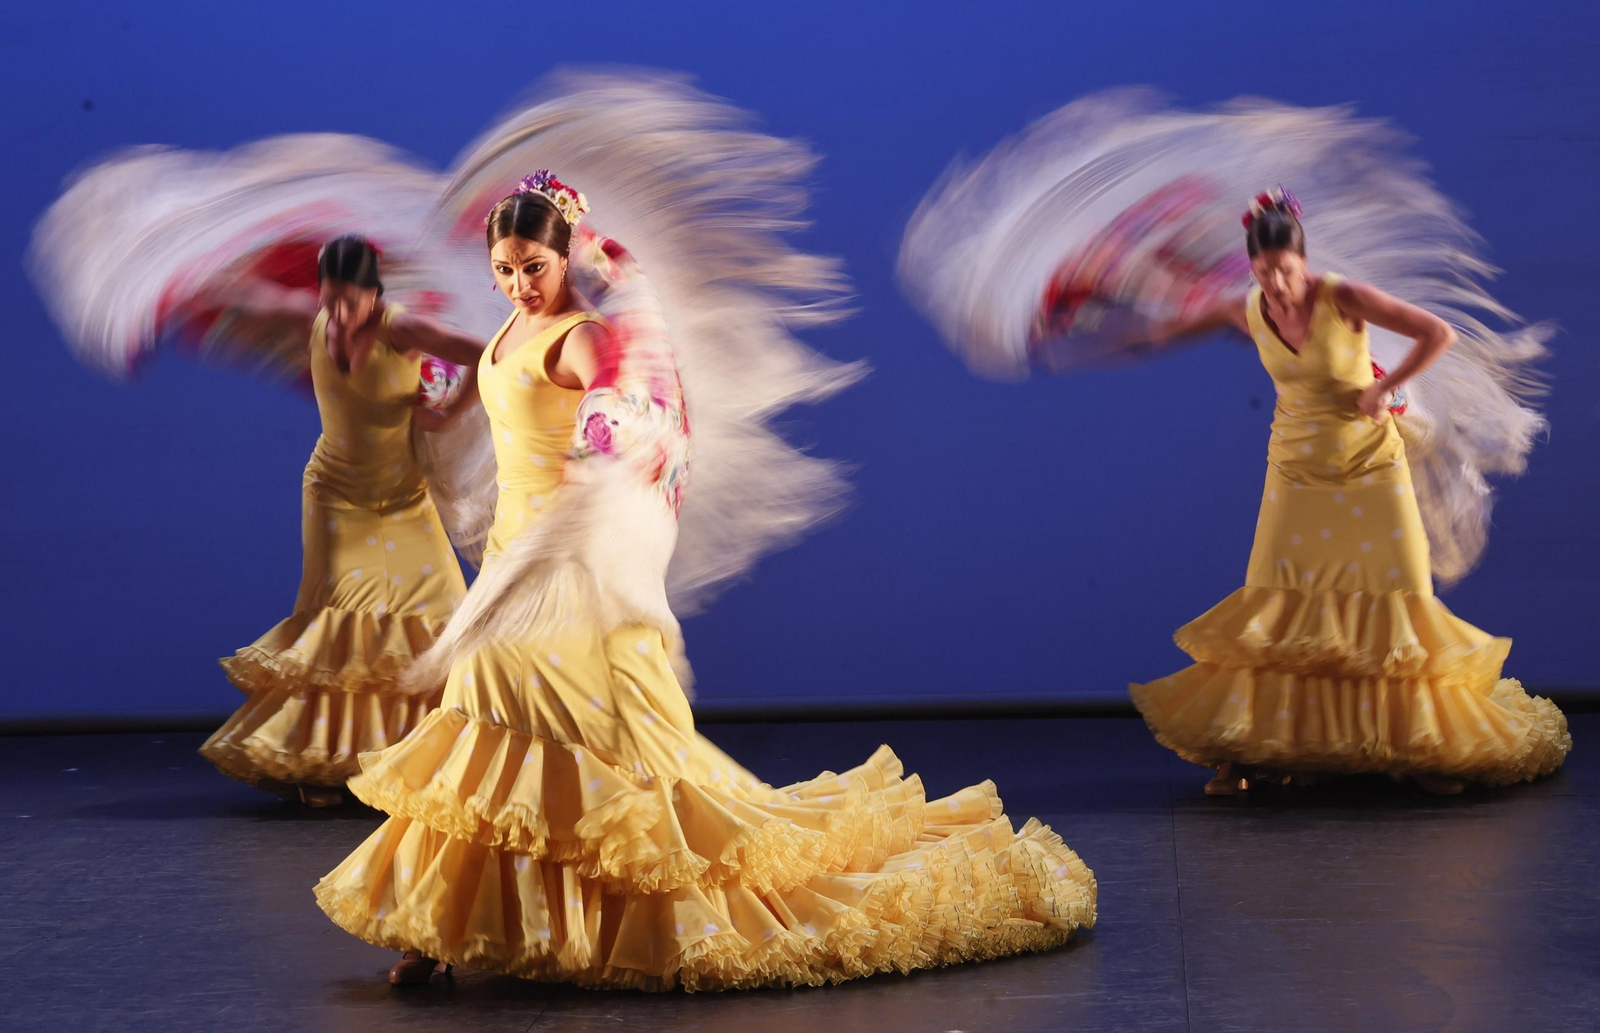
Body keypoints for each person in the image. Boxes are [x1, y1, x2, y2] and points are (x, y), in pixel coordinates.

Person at [314, 77, 1095, 990]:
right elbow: (491, 407)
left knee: (601, 744)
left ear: (564, 258)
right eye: (506, 268)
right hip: (515, 552)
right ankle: (444, 927)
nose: (520, 282)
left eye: (534, 265)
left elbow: (618, 399)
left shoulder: (583, 335)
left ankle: (614, 919)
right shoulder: (508, 332)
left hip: (573, 559)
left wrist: (601, 439)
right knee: (490, 734)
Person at [1128, 192, 1570, 794]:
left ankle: (1423, 748)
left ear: (1304, 262)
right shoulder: (1247, 308)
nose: (1277, 283)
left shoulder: (1343, 297)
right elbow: (1170, 329)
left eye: (1286, 270)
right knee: (1276, 604)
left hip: (1369, 465)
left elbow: (1437, 333)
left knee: (1401, 598)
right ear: (1252, 268)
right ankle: (1246, 751)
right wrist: (1112, 316)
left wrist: (1386, 388)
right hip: (1295, 471)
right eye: (1265, 272)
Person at [198, 236, 486, 803]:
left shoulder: (402, 328)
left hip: (402, 498)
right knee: (335, 624)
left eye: (349, 301)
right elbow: (252, 298)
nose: (339, 312)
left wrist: (451, 410)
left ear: (373, 292)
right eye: (330, 299)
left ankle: (425, 757)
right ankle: (327, 762)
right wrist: (200, 275)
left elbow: (486, 352)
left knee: (438, 617)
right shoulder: (312, 319)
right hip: (333, 495)